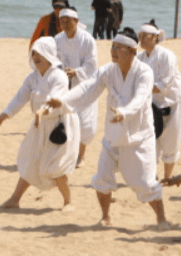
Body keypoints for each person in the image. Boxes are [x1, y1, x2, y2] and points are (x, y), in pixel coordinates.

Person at [44, 27, 170, 229]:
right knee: (102, 178)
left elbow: (141, 99)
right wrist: (63, 99)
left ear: (132, 51)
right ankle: (105, 217)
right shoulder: (108, 70)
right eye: (113, 46)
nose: (113, 51)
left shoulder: (144, 72)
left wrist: (124, 112)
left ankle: (161, 219)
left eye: (119, 47)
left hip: (138, 138)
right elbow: (87, 87)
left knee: (146, 184)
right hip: (113, 137)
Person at [0, 37, 79, 211]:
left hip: (59, 124)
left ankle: (68, 202)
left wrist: (43, 111)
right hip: (39, 124)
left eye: (39, 53)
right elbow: (19, 99)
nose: (35, 56)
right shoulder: (32, 78)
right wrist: (3, 117)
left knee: (56, 166)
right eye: (33, 53)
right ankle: (14, 199)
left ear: (49, 54)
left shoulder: (59, 76)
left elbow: (55, 98)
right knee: (31, 161)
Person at [54, 8, 98, 167]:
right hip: (65, 86)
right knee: (65, 120)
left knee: (85, 123)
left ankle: (81, 155)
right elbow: (54, 60)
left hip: (84, 86)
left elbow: (92, 65)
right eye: (62, 22)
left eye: (68, 21)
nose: (65, 25)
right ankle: (67, 154)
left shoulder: (88, 40)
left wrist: (76, 72)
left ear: (76, 21)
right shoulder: (58, 39)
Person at [137, 20, 181, 180]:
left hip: (170, 105)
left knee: (170, 143)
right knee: (150, 143)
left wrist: (141, 89)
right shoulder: (139, 58)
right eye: (140, 36)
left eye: (145, 36)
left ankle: (167, 178)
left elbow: (164, 85)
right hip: (150, 107)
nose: (141, 39)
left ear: (155, 37)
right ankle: (152, 178)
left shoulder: (167, 56)